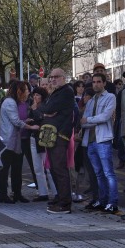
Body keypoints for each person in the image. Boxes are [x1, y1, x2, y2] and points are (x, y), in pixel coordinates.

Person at [81, 73, 118, 213]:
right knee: (98, 174)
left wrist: (89, 120)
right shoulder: (91, 101)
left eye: (98, 82)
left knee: (108, 173)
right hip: (90, 141)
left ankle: (113, 202)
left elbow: (105, 117)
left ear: (104, 83)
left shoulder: (110, 97)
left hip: (103, 140)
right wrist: (89, 120)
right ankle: (102, 201)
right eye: (94, 82)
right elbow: (83, 122)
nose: (95, 84)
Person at [42, 69, 76, 214]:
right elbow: (44, 108)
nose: (53, 80)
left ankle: (65, 203)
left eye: (56, 77)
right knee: (54, 169)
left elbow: (49, 108)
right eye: (51, 77)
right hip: (52, 134)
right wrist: (46, 111)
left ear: (64, 77)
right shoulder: (56, 92)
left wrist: (46, 111)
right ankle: (60, 197)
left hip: (60, 135)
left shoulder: (66, 91)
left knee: (60, 169)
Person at [0, 80, 37, 204]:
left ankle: (17, 193)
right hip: (8, 141)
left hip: (14, 141)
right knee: (5, 169)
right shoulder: (10, 102)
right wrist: (30, 127)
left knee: (17, 168)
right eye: (26, 90)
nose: (28, 92)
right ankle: (3, 194)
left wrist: (25, 121)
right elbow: (15, 121)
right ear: (19, 91)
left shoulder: (13, 101)